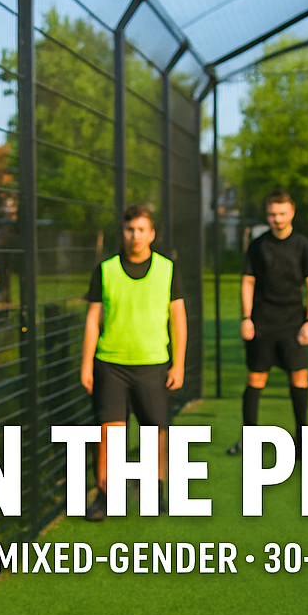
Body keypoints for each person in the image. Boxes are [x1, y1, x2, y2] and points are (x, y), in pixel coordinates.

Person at [79, 202, 186, 520]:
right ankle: (105, 495)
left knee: (155, 430)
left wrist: (178, 363)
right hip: (110, 364)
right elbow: (92, 320)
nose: (135, 236)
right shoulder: (106, 269)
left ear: (151, 234)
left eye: (141, 230)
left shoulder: (167, 269)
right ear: (123, 232)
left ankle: (155, 489)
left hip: (153, 363)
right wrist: (86, 365)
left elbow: (178, 318)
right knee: (109, 430)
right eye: (130, 229)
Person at [227, 188, 308, 457]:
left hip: (294, 323)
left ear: (291, 213)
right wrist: (246, 318)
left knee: (299, 378)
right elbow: (248, 282)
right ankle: (249, 439)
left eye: (281, 213)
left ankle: (302, 441)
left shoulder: (303, 245)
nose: (277, 219)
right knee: (255, 379)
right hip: (262, 323)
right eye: (272, 214)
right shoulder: (258, 245)